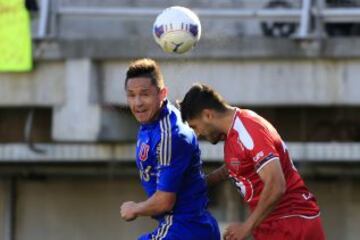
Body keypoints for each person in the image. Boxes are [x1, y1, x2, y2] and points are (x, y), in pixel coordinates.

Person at [179, 83, 326, 240]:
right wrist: (201, 183)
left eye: (195, 126)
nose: (198, 133)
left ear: (208, 115)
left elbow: (276, 184)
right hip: (272, 224)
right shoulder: (233, 133)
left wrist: (246, 227)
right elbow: (236, 166)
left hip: (290, 222)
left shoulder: (249, 129)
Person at [120, 59, 220, 240]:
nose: (138, 103)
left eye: (145, 94)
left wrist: (134, 208)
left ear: (162, 93)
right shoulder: (151, 120)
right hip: (186, 225)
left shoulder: (170, 136)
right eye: (131, 95)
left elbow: (165, 201)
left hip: (184, 228)